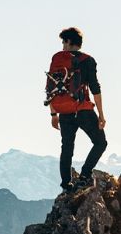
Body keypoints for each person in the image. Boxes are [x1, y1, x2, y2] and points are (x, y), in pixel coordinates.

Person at [46, 27, 108, 192]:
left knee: (67, 148)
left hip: (64, 112)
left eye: (63, 42)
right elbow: (95, 88)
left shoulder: (57, 60)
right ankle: (84, 176)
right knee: (100, 143)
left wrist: (53, 114)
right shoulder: (87, 60)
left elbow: (52, 87)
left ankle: (66, 185)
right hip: (83, 110)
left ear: (68, 41)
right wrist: (101, 115)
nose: (62, 46)